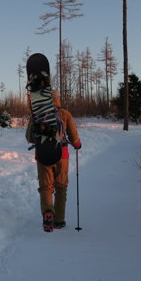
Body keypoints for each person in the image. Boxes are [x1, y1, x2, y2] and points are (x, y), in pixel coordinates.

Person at [26, 90, 81, 232]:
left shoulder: (37, 114)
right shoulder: (64, 114)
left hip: (43, 155)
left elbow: (29, 137)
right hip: (61, 155)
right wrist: (77, 144)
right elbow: (74, 136)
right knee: (61, 187)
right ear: (57, 100)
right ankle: (59, 220)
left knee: (46, 187)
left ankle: (48, 213)